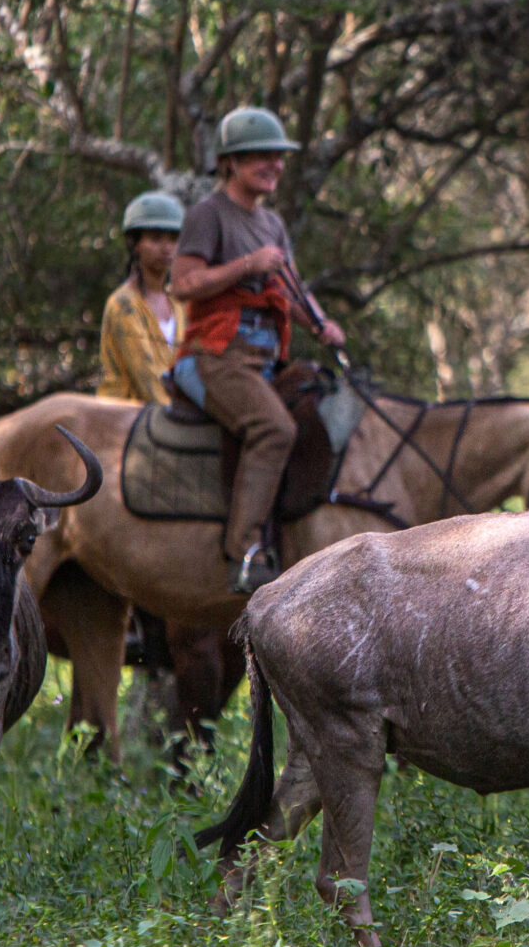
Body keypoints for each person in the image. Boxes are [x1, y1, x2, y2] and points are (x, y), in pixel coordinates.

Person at [169, 108, 347, 594]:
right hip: (212, 355)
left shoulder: (273, 223)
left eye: (278, 156)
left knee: (323, 400)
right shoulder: (209, 215)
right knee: (274, 428)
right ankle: (244, 551)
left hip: (265, 360)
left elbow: (291, 289)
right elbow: (183, 283)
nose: (275, 164)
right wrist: (247, 263)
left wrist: (320, 323)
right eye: (261, 156)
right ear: (229, 162)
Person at [98, 190, 186, 406]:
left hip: (166, 414)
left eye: (173, 239)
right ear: (134, 243)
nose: (167, 248)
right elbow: (146, 377)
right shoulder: (124, 304)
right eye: (156, 239)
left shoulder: (178, 303)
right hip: (123, 417)